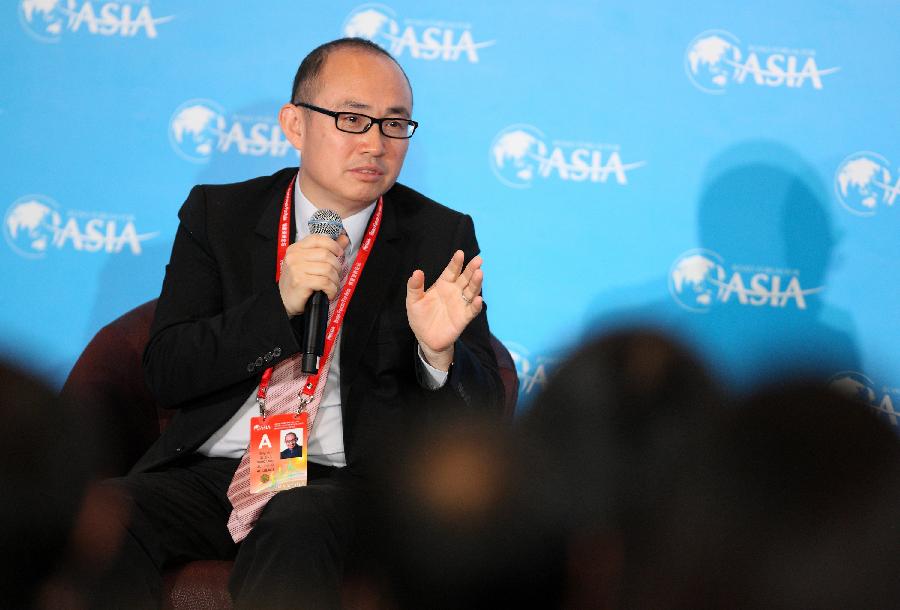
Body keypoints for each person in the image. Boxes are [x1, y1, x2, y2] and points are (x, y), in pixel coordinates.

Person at [91, 37, 503, 610]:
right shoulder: (219, 216)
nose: (376, 144)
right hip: (220, 471)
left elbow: (484, 414)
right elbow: (167, 371)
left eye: (394, 125)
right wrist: (276, 308)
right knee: (111, 515)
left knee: (297, 515)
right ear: (295, 124)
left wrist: (438, 356)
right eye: (352, 119)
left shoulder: (439, 235)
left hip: (346, 486)